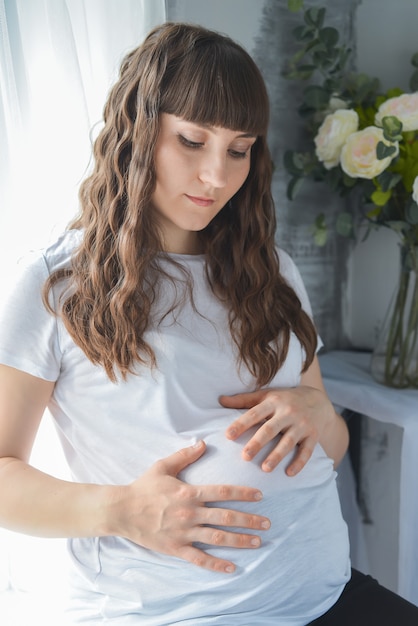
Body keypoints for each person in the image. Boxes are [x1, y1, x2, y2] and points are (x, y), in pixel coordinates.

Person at [0, 21, 417, 626]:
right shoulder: (54, 284)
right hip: (170, 613)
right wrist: (120, 511)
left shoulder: (274, 271)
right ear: (137, 133)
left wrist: (321, 413)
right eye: (192, 141)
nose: (217, 176)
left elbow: (329, 440)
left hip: (323, 593)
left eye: (239, 150)